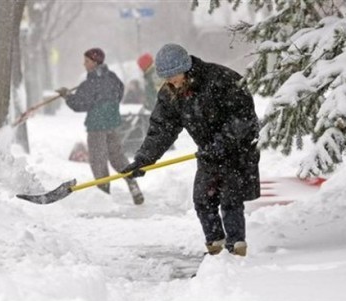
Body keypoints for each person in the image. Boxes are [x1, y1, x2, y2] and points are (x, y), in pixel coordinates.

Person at [121, 44, 260, 256]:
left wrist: (222, 144)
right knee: (203, 199)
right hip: (208, 154)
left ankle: (236, 249)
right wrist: (143, 160)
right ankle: (216, 247)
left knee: (230, 200)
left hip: (236, 150)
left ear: (185, 67)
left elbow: (244, 117)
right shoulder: (170, 92)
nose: (170, 81)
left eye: (174, 75)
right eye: (166, 77)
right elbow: (161, 129)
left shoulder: (220, 78)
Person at [56, 47, 144, 205]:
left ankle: (104, 194)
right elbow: (120, 93)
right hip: (113, 124)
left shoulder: (90, 83)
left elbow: (78, 104)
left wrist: (67, 95)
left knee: (98, 160)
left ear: (95, 62)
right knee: (117, 157)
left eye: (87, 61)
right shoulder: (112, 77)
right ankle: (133, 184)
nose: (84, 64)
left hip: (96, 126)